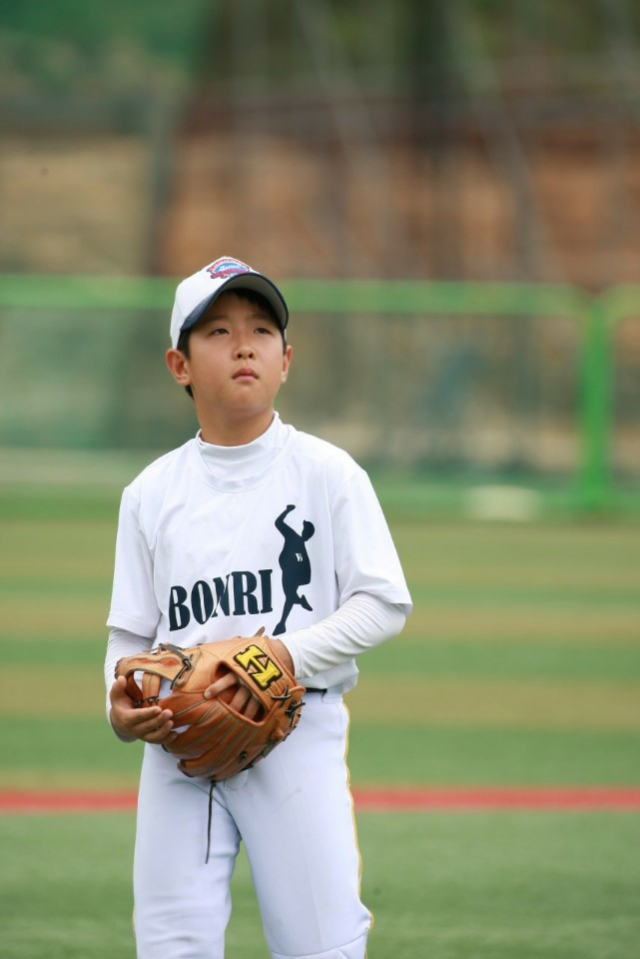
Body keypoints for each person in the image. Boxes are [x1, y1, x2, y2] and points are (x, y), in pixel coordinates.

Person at [105, 255, 412, 959]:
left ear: (286, 359)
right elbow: (129, 630)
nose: (243, 343)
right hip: (178, 742)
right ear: (179, 364)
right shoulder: (150, 494)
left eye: (261, 328)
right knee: (170, 942)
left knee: (320, 942)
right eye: (216, 330)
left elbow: (385, 602)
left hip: (295, 729)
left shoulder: (326, 473)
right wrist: (119, 705)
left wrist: (279, 654)